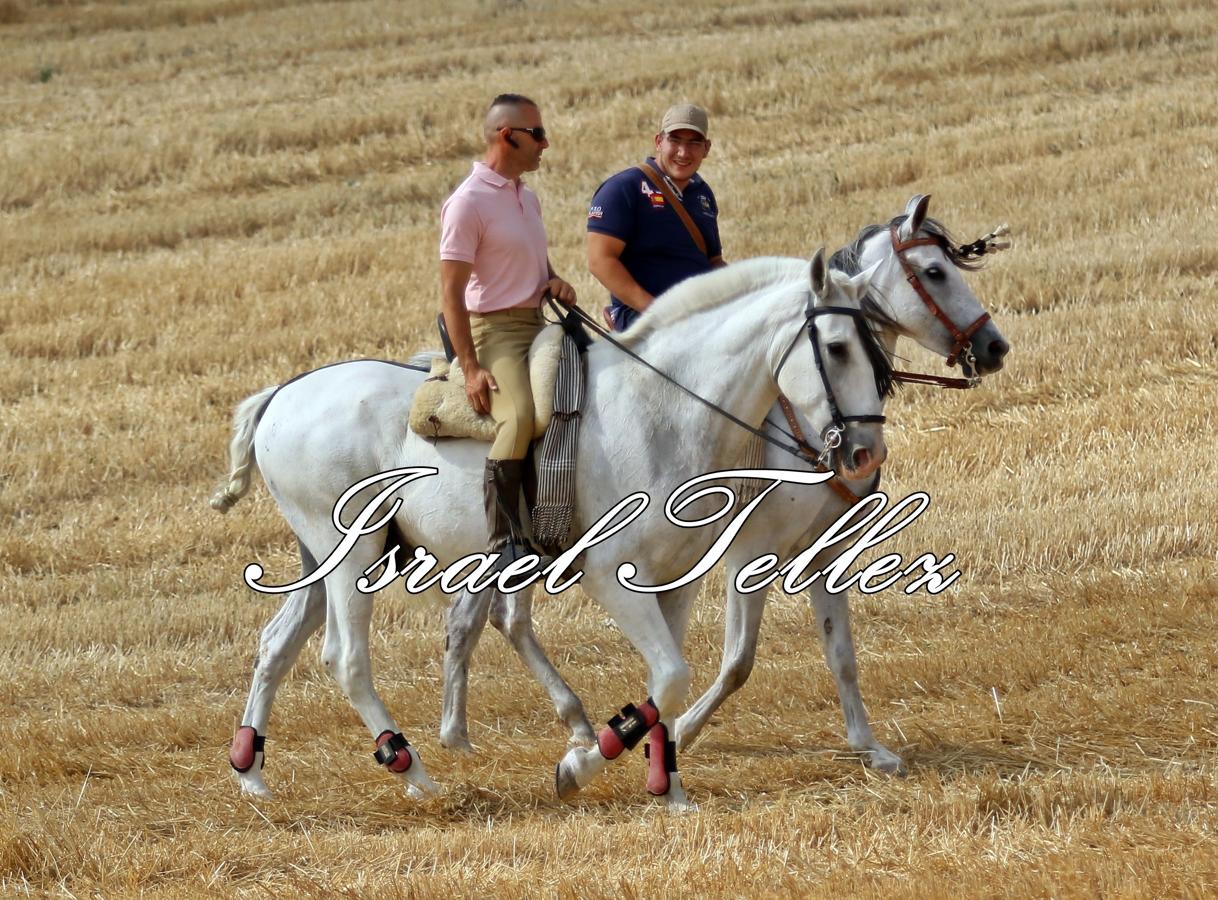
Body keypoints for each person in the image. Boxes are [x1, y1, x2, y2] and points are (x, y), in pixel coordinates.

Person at [439, 93, 577, 559]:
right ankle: (506, 540)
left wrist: (553, 280)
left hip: (538, 324)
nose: (545, 143)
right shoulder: (467, 204)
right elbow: (451, 295)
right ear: (507, 136)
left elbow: (534, 261)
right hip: (492, 332)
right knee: (519, 418)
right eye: (536, 134)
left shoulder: (528, 197)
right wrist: (472, 367)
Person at [586, 103, 725, 332]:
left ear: (706, 148)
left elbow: (713, 262)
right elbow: (600, 261)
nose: (683, 152)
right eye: (675, 140)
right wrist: (657, 312)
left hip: (701, 321)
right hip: (645, 324)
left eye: (694, 143)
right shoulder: (624, 188)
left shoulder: (702, 193)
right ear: (659, 142)